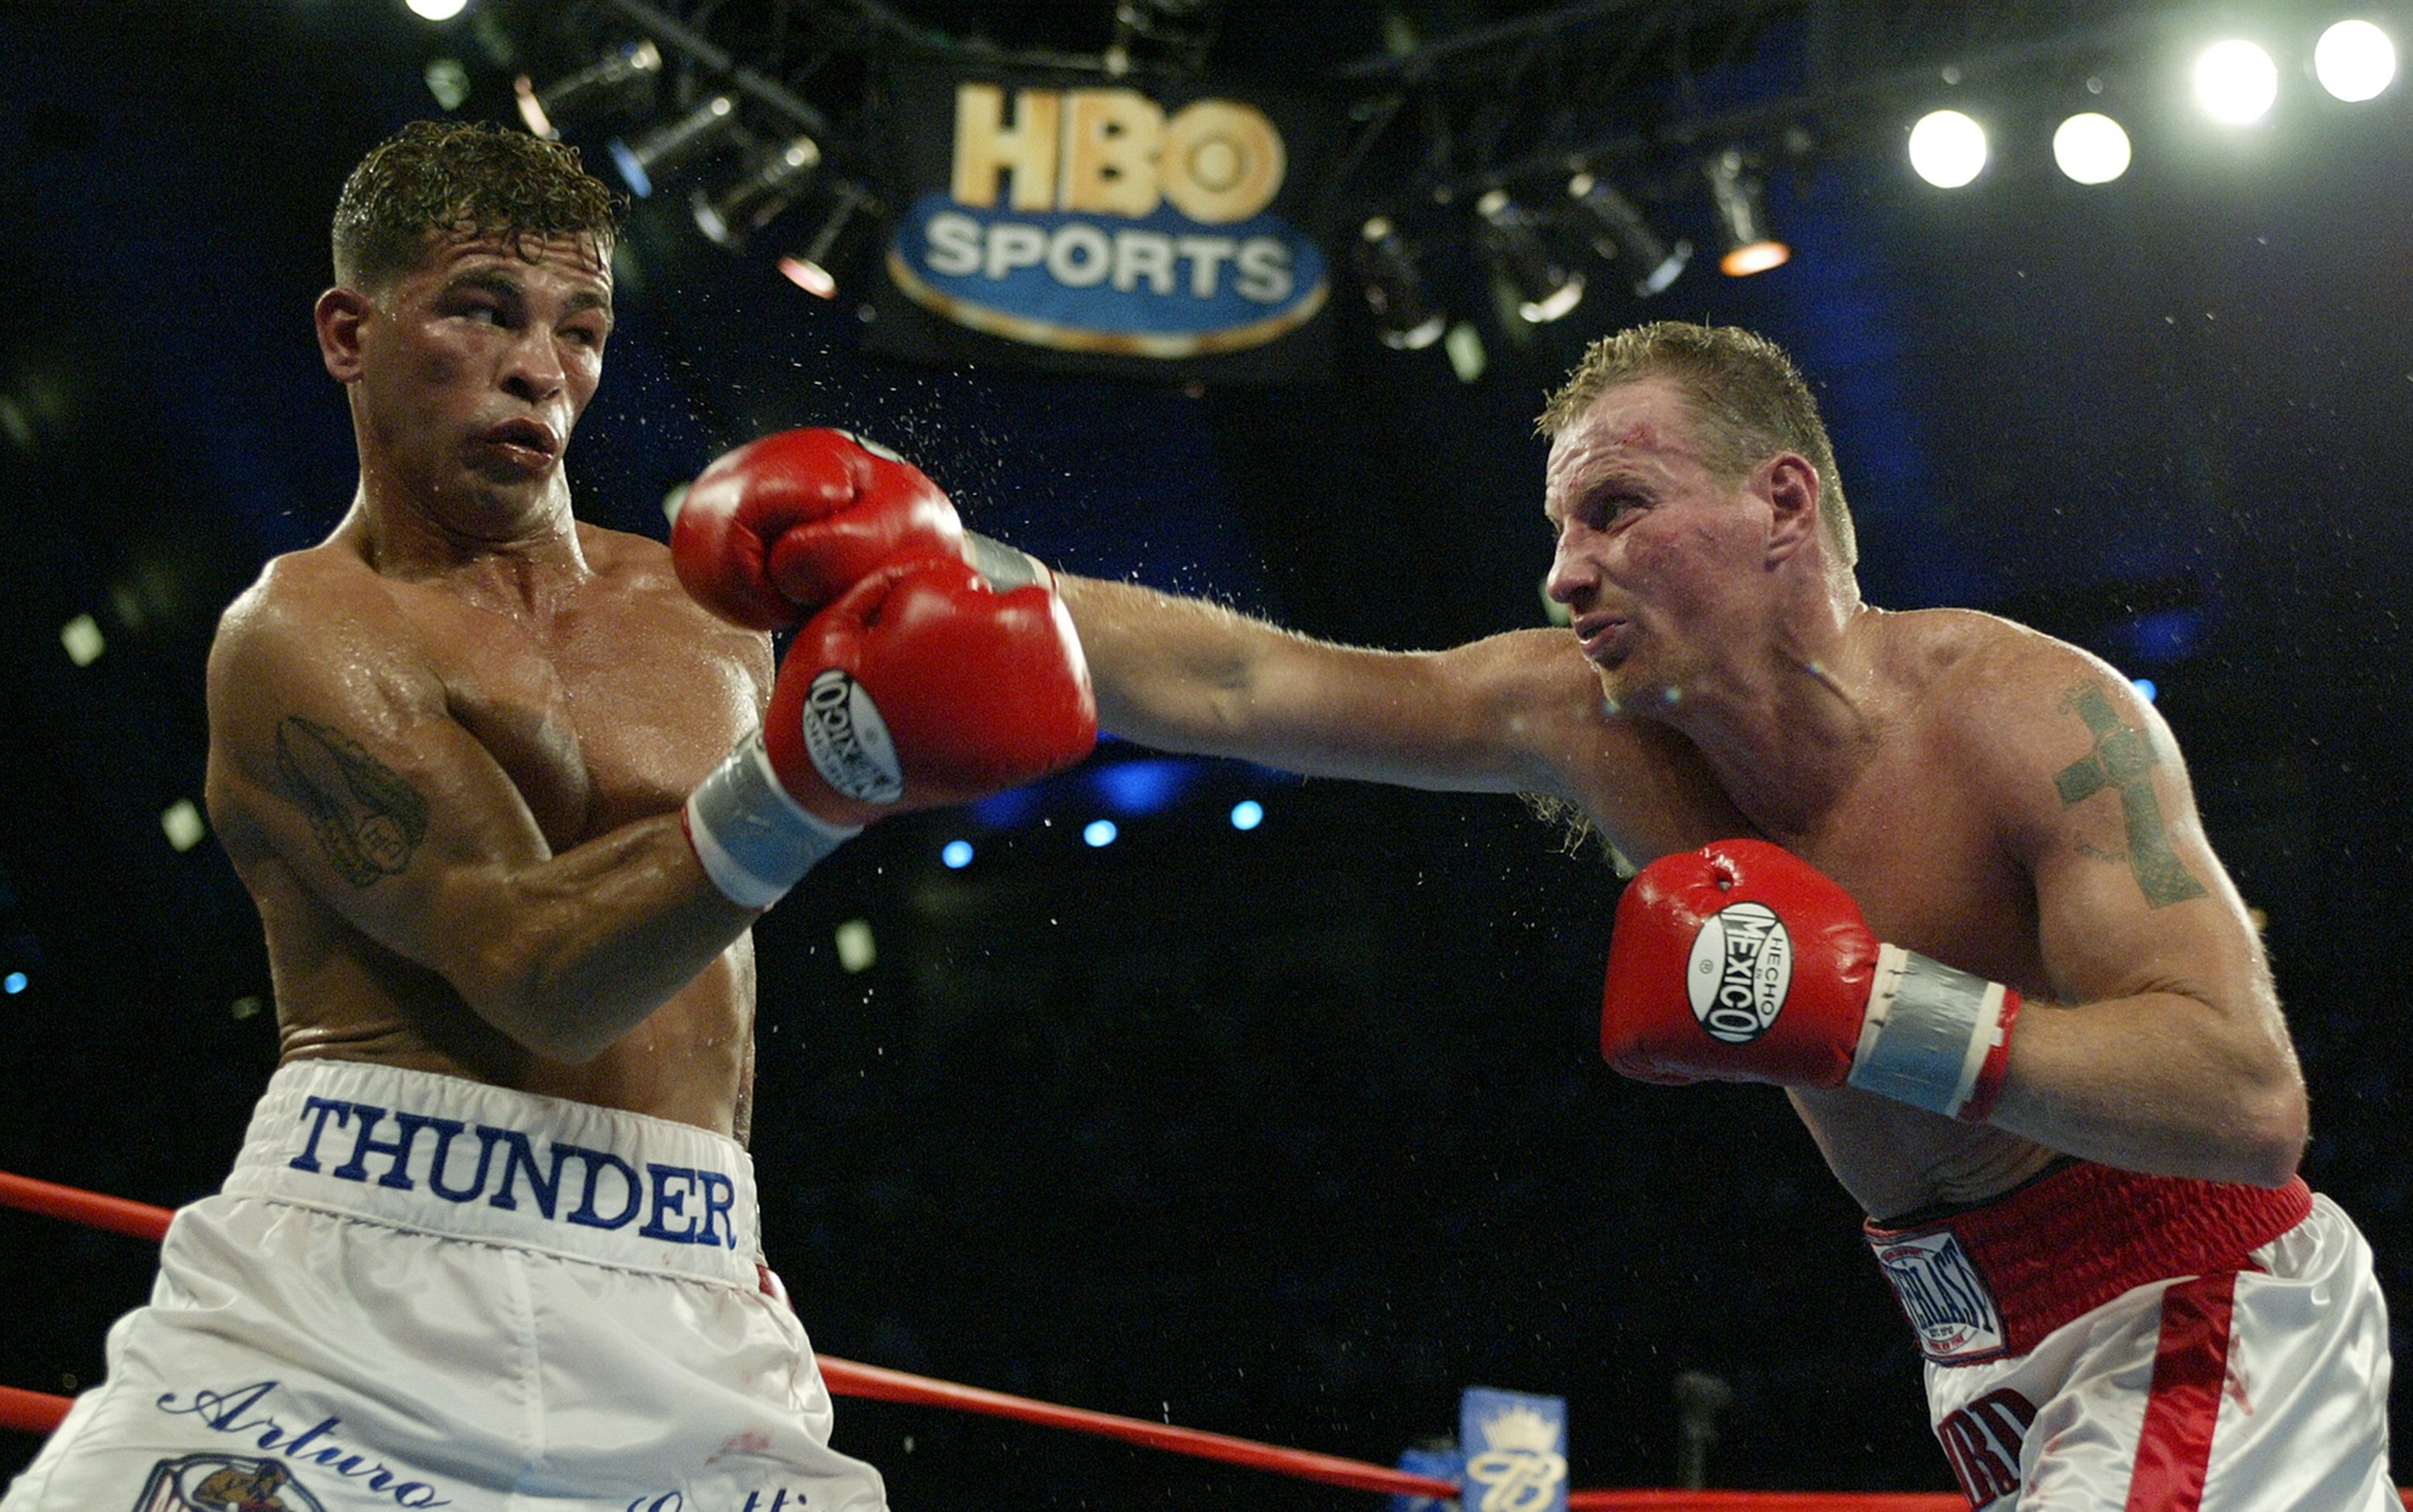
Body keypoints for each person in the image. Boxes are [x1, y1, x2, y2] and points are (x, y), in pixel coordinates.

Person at [707, 320, 2392, 1510]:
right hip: (1976, 1338)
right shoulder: (1585, 722)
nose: (1564, 569)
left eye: (1617, 508)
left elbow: (2249, 1104)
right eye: (1557, 526)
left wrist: (1880, 1009)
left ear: (1784, 505)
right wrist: (943, 569)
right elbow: (1246, 676)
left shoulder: (2032, 714)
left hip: (2203, 1299)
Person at [1, 120, 1094, 1512]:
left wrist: (1447, 705)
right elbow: (537, 975)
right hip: (356, 1278)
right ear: (350, 332)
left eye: (582, 326)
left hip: (682, 1279)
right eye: (483, 309)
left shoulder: (720, 603)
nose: (542, 366)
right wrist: (818, 777)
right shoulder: (303, 631)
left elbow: (1200, 672)